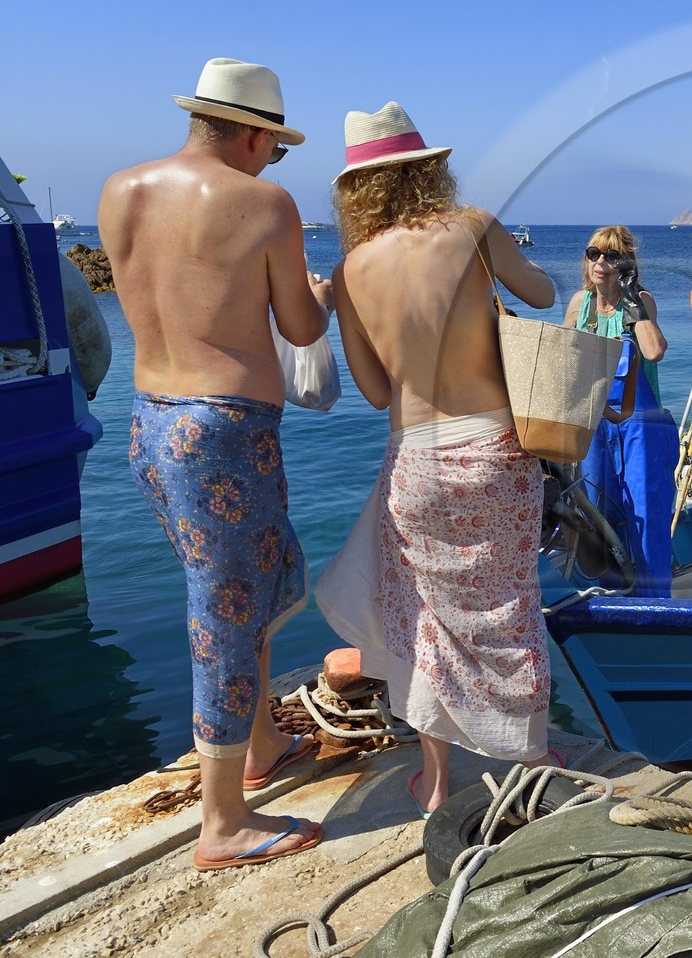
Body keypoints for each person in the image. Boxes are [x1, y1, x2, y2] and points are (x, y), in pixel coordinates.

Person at [99, 57, 331, 869]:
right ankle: (222, 821)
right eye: (275, 146)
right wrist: (321, 291)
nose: (274, 162)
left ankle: (261, 740)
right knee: (227, 613)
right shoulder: (263, 203)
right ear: (253, 135)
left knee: (262, 579)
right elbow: (300, 330)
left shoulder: (119, 191)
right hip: (225, 434)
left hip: (150, 425)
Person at [314, 102, 557, 818]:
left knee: (426, 615)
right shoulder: (474, 227)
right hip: (493, 449)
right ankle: (533, 755)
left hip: (415, 459)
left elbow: (371, 389)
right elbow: (541, 293)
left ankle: (436, 778)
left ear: (358, 191)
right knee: (511, 604)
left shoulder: (352, 267)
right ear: (430, 169)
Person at [561, 226, 676, 596]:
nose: (600, 262)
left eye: (611, 256)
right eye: (594, 253)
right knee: (597, 514)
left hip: (641, 429)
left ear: (626, 264)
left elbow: (655, 350)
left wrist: (633, 303)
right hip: (594, 427)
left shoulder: (640, 300)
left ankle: (657, 604)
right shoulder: (580, 304)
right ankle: (614, 598)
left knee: (645, 516)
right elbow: (563, 363)